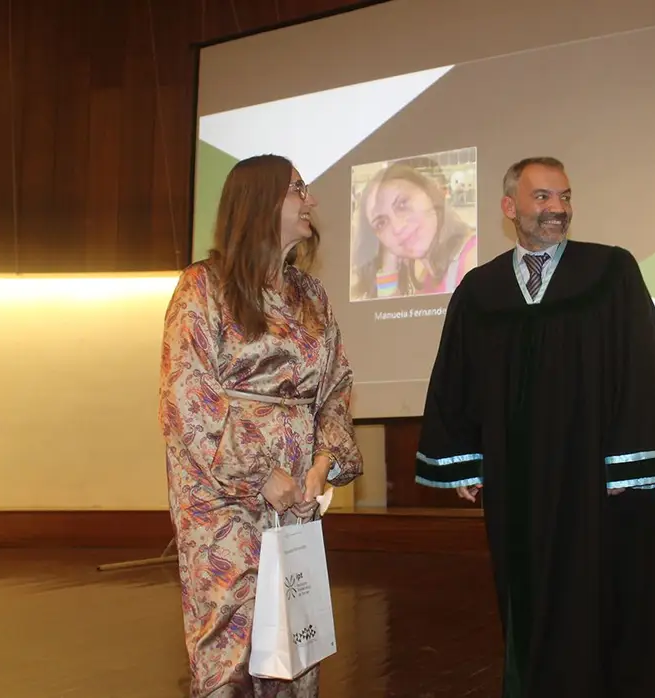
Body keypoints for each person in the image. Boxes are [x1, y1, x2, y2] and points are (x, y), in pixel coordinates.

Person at [414, 156, 655, 697]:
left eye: (564, 197)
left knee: (614, 600)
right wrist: (462, 459)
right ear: (510, 207)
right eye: (543, 197)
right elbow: (457, 378)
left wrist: (633, 462)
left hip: (601, 482)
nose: (557, 209)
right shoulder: (479, 291)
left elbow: (644, 364)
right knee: (530, 601)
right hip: (518, 486)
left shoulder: (609, 272)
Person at [159, 154, 363, 698]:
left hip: (296, 496)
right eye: (298, 189)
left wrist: (323, 465)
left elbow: (336, 386)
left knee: (292, 641)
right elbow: (188, 399)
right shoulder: (202, 288)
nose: (311, 200)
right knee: (232, 641)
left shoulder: (311, 296)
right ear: (261, 201)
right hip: (224, 502)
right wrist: (258, 474)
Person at [350, 156, 477, 301]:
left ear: (430, 193)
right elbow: (390, 315)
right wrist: (389, 266)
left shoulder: (471, 258)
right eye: (381, 223)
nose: (397, 228)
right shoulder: (426, 274)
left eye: (402, 204)